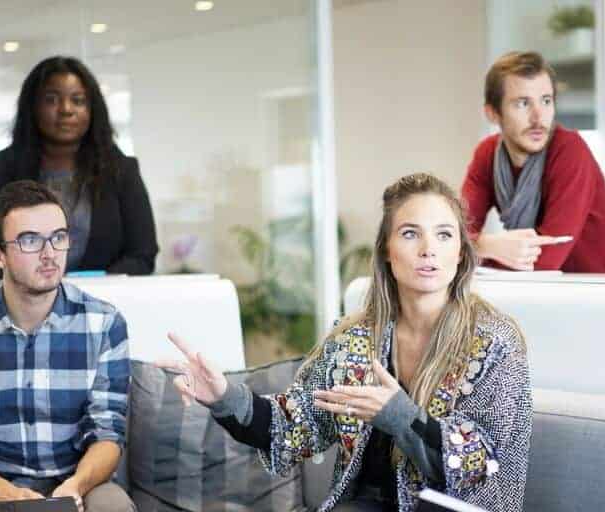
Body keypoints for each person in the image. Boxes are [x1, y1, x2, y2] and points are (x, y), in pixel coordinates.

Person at [158, 173, 532, 511]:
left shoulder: (495, 342)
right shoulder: (354, 339)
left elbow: (483, 464)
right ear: (387, 249)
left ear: (461, 252)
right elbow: (294, 425)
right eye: (410, 233)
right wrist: (225, 397)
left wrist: (401, 417)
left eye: (444, 234)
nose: (428, 248)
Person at [0, 181, 134, 511]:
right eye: (29, 241)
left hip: (77, 482)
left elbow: (107, 433)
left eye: (59, 237)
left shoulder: (105, 323)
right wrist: (2, 492)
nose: (50, 253)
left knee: (113, 505)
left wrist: (74, 488)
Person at [0, 56, 158, 279]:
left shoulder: (121, 170)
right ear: (32, 107)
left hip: (102, 304)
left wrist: (90, 291)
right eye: (51, 100)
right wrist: (37, 286)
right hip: (22, 305)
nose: (66, 110)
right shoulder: (3, 168)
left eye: (78, 100)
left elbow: (142, 255)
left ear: (92, 109)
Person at [460, 51, 605, 273]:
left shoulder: (569, 150)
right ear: (492, 113)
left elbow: (545, 260)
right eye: (522, 103)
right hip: (536, 293)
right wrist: (485, 245)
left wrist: (478, 248)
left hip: (595, 293)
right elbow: (453, 236)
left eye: (546, 101)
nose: (538, 117)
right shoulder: (487, 154)